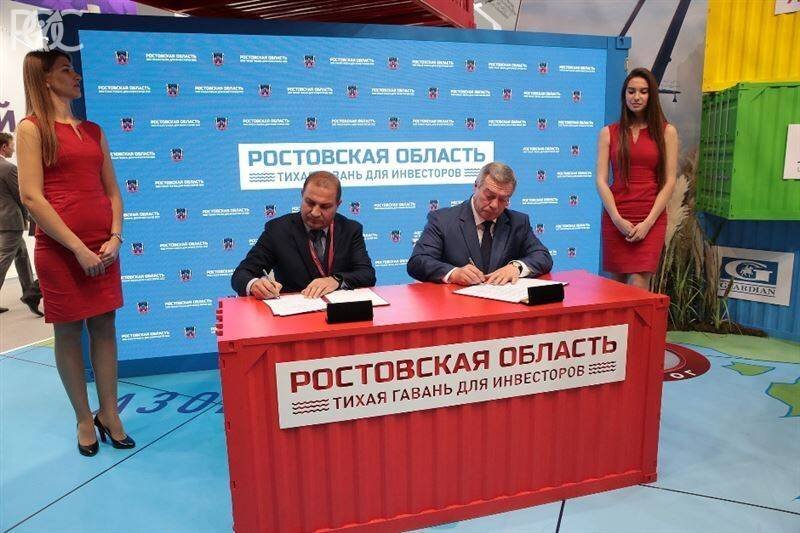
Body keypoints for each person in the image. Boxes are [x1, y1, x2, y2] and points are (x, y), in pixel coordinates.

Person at [16, 49, 134, 456]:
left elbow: (113, 192)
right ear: (46, 79)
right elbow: (31, 197)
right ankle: (84, 418)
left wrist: (116, 237)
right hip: (62, 251)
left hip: (104, 248)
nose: (75, 75)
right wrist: (78, 248)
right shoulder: (32, 129)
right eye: (66, 70)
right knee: (68, 332)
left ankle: (109, 413)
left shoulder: (94, 130)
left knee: (105, 327)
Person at [232, 171, 376, 299]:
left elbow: (367, 275)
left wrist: (336, 280)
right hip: (295, 315)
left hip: (340, 314)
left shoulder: (350, 230)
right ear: (302, 195)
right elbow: (241, 274)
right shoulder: (277, 230)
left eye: (325, 206)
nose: (315, 212)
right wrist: (254, 284)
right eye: (310, 203)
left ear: (338, 204)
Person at [596, 67, 678, 290]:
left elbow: (670, 181)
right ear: (624, 95)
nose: (636, 97)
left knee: (639, 283)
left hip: (651, 216)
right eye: (631, 91)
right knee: (616, 287)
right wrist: (616, 218)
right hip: (617, 216)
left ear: (651, 95)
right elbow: (601, 180)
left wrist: (648, 223)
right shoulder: (608, 133)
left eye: (643, 91)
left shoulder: (667, 132)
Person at [407, 162, 553, 285]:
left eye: (503, 199)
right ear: (476, 186)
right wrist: (453, 273)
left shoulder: (518, 222)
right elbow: (418, 262)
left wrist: (516, 267)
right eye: (489, 196)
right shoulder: (442, 220)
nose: (495, 205)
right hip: (458, 305)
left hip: (503, 304)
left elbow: (543, 256)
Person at [0, 132, 42, 315]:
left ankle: (30, 293)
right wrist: (29, 217)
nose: (13, 149)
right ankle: (31, 294)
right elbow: (21, 196)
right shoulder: (8, 168)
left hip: (4, 220)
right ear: (4, 147)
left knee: (22, 255)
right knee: (4, 259)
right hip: (11, 221)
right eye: (11, 145)